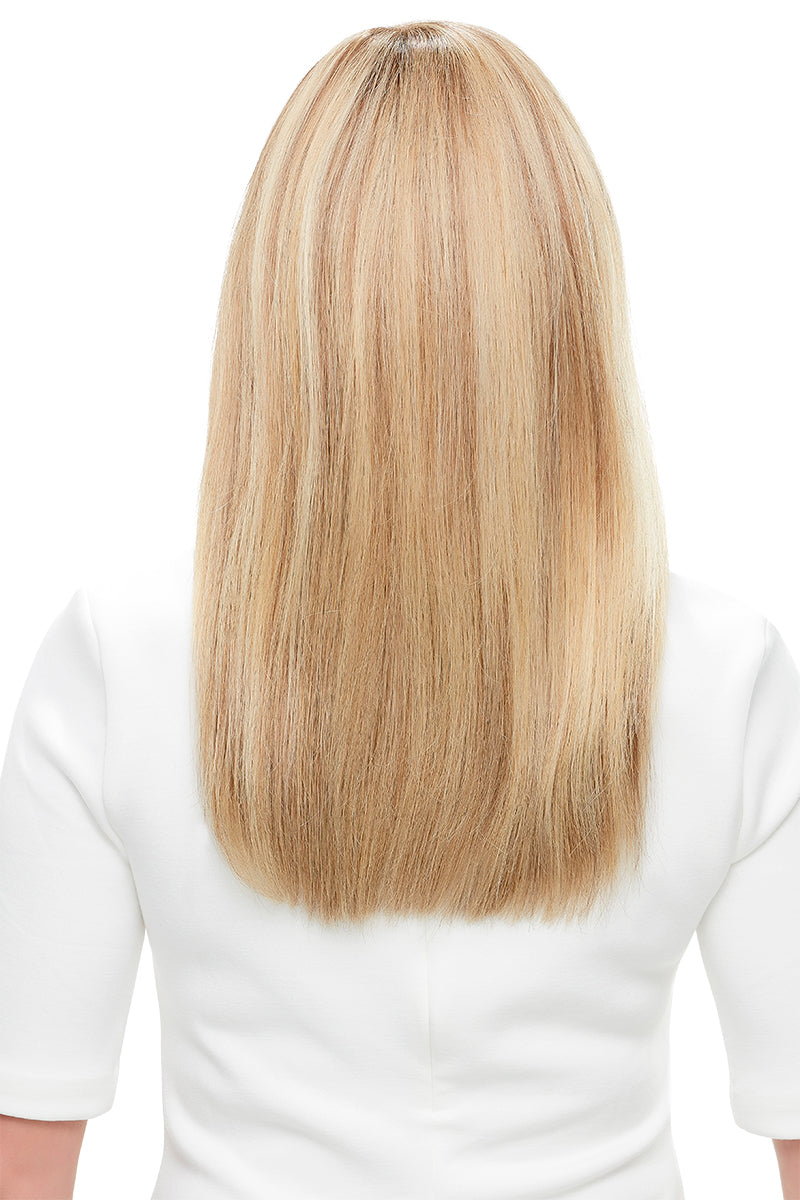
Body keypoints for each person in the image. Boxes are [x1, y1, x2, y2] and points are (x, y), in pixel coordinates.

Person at [0, 19, 798, 1200]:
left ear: (277, 305)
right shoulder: (722, 672)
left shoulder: (119, 657)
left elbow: (26, 1138)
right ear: (571, 309)